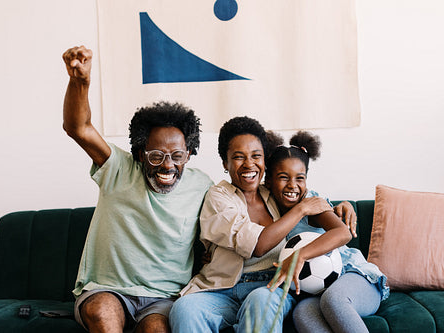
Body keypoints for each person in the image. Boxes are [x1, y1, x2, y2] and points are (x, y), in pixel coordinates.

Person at [62, 45, 214, 333]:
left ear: (189, 154)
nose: (167, 166)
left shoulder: (201, 185)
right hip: (107, 290)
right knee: (103, 314)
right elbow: (78, 128)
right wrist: (79, 83)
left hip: (164, 298)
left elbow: (236, 215)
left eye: (177, 156)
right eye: (156, 155)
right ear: (141, 153)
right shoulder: (118, 169)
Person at [169, 117, 356, 333]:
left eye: (256, 156)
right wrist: (301, 210)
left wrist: (342, 207)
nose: (249, 164)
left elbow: (305, 195)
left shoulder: (276, 191)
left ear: (265, 160)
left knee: (260, 300)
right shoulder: (219, 197)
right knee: (185, 308)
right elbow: (258, 246)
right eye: (238, 157)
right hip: (223, 289)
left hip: (270, 285)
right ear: (225, 163)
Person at [265, 131, 390, 333]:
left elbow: (343, 233)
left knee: (334, 299)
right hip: (317, 293)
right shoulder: (265, 208)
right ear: (268, 180)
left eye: (300, 178)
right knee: (302, 314)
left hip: (354, 277)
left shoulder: (311, 204)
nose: (292, 185)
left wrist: (301, 255)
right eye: (283, 177)